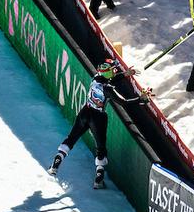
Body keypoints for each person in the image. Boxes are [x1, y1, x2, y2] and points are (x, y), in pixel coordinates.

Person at [48, 59, 147, 188]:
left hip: (85, 112)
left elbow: (110, 79)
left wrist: (126, 74)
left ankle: (55, 165)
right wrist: (141, 99)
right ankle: (98, 180)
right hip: (98, 118)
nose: (115, 70)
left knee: (71, 138)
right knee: (100, 148)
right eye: (113, 69)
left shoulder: (96, 77)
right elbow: (124, 102)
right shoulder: (108, 89)